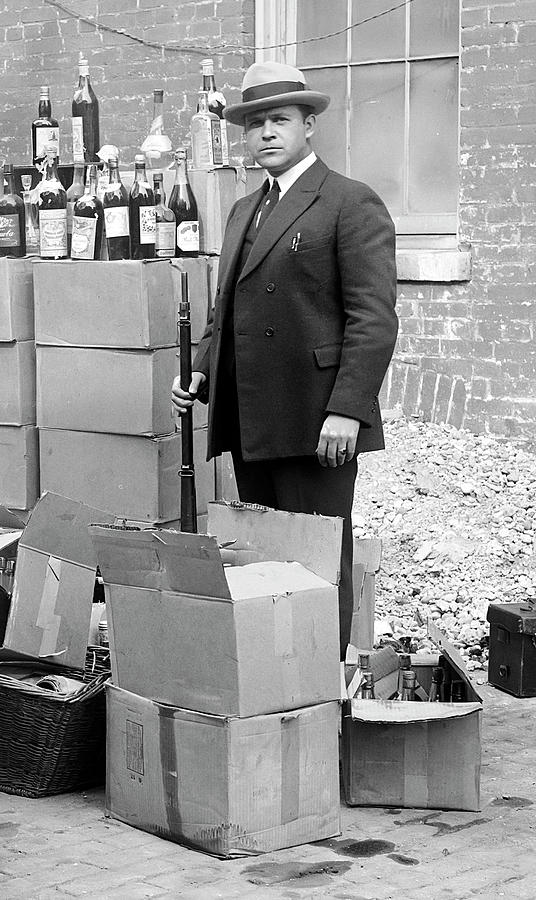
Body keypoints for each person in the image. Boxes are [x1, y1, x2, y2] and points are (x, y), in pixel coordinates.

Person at [172, 60, 398, 657]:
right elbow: (227, 310)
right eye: (255, 124)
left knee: (319, 564)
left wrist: (347, 409)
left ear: (309, 125)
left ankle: (322, 691)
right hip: (252, 422)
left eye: (280, 119)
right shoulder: (245, 209)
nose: (267, 132)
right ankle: (276, 683)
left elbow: (373, 320)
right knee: (266, 561)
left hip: (316, 423)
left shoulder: (350, 203)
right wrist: (200, 368)